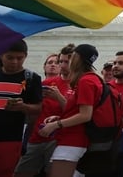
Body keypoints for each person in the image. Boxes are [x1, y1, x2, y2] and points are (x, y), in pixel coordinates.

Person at [39, 43, 102, 177]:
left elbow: (85, 115)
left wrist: (56, 125)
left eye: (71, 57)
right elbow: (78, 110)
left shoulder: (86, 81)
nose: (65, 62)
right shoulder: (91, 79)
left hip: (73, 140)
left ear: (77, 58)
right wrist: (59, 119)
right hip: (72, 139)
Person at [14, 44, 74, 177]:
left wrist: (59, 98)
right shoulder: (45, 83)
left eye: (66, 62)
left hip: (58, 140)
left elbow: (75, 114)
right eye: (61, 61)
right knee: (21, 172)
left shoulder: (79, 84)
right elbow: (34, 109)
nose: (62, 65)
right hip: (36, 137)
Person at [0, 39, 43, 177]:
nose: (15, 62)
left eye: (19, 58)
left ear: (26, 56)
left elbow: (39, 108)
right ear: (1, 55)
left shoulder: (31, 78)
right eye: (10, 57)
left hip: (11, 139)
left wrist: (23, 107)